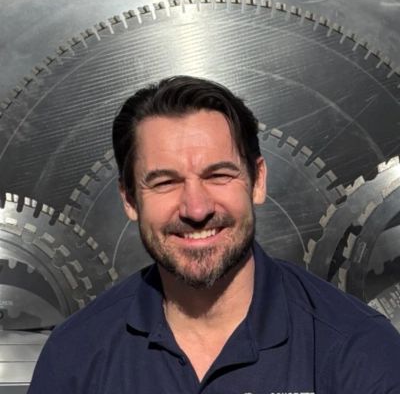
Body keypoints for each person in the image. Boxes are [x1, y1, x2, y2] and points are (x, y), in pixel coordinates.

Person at [28, 76, 400, 393]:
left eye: (218, 175)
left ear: (257, 181)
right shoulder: (75, 355)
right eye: (165, 181)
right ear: (129, 199)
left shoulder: (358, 349)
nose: (196, 209)